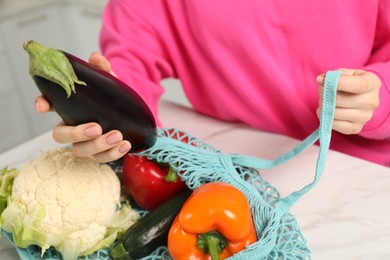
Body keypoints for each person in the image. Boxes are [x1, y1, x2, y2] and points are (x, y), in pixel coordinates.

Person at [35, 1, 390, 167]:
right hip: (241, 171)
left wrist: (381, 93)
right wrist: (102, 106)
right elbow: (131, 62)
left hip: (370, 172)